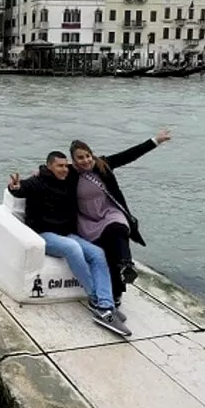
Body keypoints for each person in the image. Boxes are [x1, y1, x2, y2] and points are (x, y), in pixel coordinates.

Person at [8, 152, 132, 337]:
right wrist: (15, 187)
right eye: (60, 166)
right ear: (49, 166)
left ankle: (106, 305)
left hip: (67, 234)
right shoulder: (37, 182)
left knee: (98, 253)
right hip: (44, 235)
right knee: (72, 248)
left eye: (66, 166)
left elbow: (90, 166)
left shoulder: (69, 181)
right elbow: (21, 188)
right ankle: (97, 300)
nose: (65, 169)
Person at [68, 129, 172, 310]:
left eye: (88, 155)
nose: (86, 160)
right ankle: (114, 291)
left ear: (92, 154)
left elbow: (130, 155)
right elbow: (47, 174)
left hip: (109, 212)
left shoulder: (103, 164)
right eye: (80, 158)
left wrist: (155, 141)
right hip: (87, 219)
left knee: (119, 229)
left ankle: (126, 265)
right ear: (73, 160)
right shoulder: (68, 173)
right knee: (107, 253)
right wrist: (26, 182)